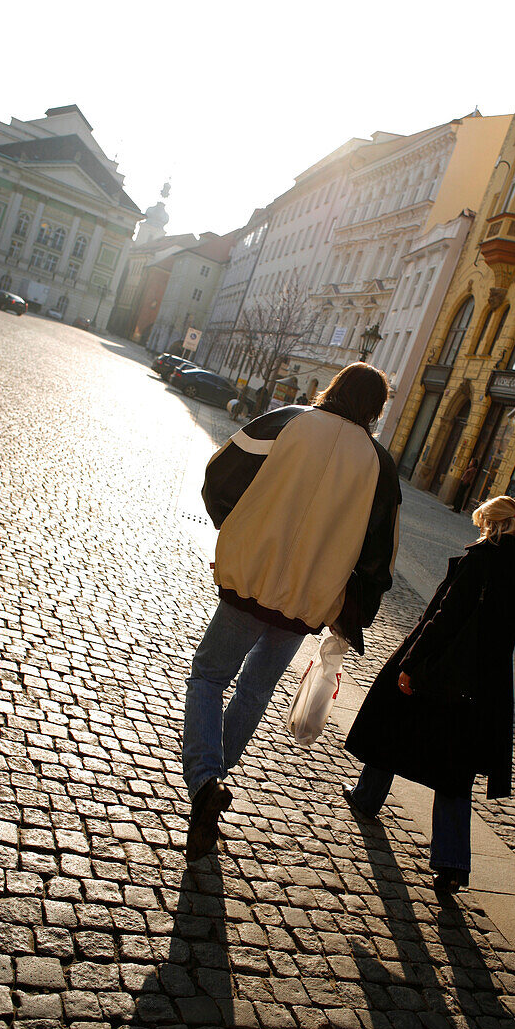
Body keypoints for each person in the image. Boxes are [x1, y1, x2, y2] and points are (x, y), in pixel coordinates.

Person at [183, 363, 402, 861]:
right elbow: (378, 555)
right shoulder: (379, 465)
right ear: (376, 408)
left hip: (250, 579)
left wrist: (235, 527)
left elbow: (220, 473)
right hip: (307, 601)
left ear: (335, 388)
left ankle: (203, 781)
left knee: (209, 675)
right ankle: (213, 779)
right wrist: (353, 612)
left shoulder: (287, 421)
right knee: (256, 689)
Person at [344, 495, 515, 893]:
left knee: (394, 718)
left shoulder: (483, 558)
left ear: (494, 525)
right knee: (456, 768)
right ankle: (451, 863)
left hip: (443, 665)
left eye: (484, 524)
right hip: (485, 680)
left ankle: (367, 797)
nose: (481, 532)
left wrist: (412, 662)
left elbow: (447, 615)